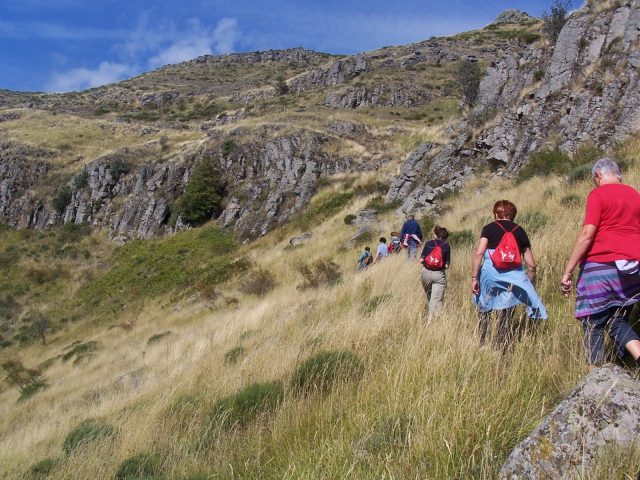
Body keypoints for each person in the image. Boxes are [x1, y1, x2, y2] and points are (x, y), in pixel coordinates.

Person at [560, 158, 640, 366]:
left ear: (597, 176)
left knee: (592, 322)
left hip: (601, 265)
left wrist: (568, 270)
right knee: (617, 320)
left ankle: (596, 376)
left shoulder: (598, 194)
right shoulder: (634, 194)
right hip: (633, 268)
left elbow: (588, 233)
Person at [472, 200, 547, 349]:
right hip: (513, 275)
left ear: (496, 214)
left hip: (489, 272)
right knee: (506, 310)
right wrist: (529, 285)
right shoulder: (520, 231)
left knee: (484, 306)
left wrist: (475, 278)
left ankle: (483, 343)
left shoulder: (489, 228)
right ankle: (500, 345)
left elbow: (479, 253)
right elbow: (531, 265)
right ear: (512, 215)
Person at [420, 226, 451, 315]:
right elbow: (447, 265)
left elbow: (421, 260)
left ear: (435, 234)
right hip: (438, 275)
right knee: (436, 299)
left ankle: (429, 316)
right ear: (446, 237)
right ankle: (432, 322)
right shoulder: (446, 246)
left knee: (430, 296)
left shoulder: (428, 243)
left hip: (426, 273)